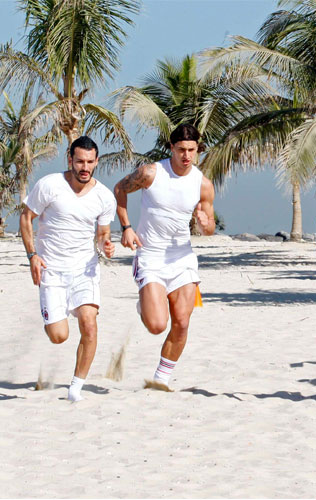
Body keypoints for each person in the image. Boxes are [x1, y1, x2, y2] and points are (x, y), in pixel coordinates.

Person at [113, 124, 215, 390]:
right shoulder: (151, 173)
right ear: (171, 147)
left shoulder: (203, 184)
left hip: (182, 258)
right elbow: (120, 189)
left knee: (182, 322)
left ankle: (161, 379)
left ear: (197, 149)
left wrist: (205, 224)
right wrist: (126, 228)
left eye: (191, 150)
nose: (186, 156)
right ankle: (146, 304)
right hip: (151, 255)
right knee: (158, 325)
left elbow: (209, 227)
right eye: (181, 150)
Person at [19, 136, 116, 402]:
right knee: (59, 336)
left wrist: (106, 245)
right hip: (51, 270)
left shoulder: (104, 196)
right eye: (80, 161)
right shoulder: (49, 185)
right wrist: (32, 256)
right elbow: (26, 218)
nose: (85, 167)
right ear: (70, 159)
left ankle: (76, 387)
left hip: (84, 270)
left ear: (96, 161)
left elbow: (102, 234)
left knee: (89, 324)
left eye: (90, 162)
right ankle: (52, 318)